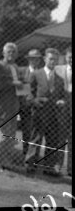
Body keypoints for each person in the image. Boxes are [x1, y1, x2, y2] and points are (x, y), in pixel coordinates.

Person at [25, 48, 66, 176]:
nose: (53, 61)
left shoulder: (60, 79)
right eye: (50, 59)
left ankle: (48, 168)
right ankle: (30, 165)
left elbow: (62, 96)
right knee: (36, 139)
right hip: (39, 113)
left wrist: (61, 101)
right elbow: (28, 93)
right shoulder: (36, 74)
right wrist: (35, 101)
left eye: (55, 59)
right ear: (45, 59)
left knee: (52, 141)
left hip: (53, 115)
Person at [0, 42, 23, 170]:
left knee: (10, 137)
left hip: (13, 108)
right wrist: (14, 83)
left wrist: (23, 88)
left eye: (13, 52)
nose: (11, 54)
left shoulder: (15, 67)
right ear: (3, 53)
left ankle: (5, 162)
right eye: (8, 52)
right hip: (0, 107)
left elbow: (19, 87)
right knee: (2, 136)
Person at [17, 48, 43, 159]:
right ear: (28, 60)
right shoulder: (21, 71)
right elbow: (20, 88)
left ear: (39, 60)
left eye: (36, 59)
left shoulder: (42, 72)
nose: (34, 61)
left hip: (37, 109)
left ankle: (31, 158)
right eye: (32, 59)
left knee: (35, 134)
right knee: (25, 133)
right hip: (23, 107)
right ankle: (24, 155)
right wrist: (29, 100)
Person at [54, 46, 72, 175]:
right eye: (70, 57)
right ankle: (58, 166)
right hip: (62, 108)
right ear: (66, 57)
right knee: (60, 138)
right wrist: (58, 99)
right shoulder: (58, 70)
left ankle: (70, 169)